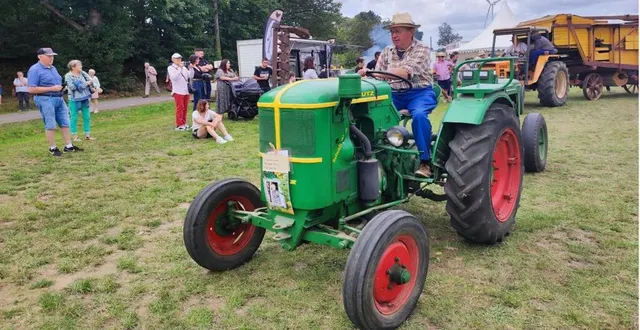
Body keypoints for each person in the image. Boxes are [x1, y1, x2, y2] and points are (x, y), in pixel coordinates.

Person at [358, 13, 436, 178]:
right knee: (368, 112)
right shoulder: (387, 51)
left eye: (398, 31)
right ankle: (369, 153)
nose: (394, 35)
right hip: (394, 93)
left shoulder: (422, 49)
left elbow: (404, 72)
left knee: (420, 116)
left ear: (411, 32)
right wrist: (365, 74)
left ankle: (425, 162)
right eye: (392, 31)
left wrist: (374, 72)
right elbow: (375, 76)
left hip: (419, 93)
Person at [27, 48, 83, 156]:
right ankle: (52, 148)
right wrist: (52, 88)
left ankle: (69, 146)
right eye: (49, 56)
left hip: (59, 98)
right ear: (40, 57)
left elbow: (56, 84)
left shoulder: (53, 68)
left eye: (52, 56)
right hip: (45, 99)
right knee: (50, 123)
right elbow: (31, 89)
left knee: (65, 122)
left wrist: (61, 88)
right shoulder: (34, 69)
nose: (51, 58)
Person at [65, 60, 95, 141]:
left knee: (87, 117)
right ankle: (75, 136)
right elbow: (72, 87)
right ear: (73, 67)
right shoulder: (68, 76)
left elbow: (91, 80)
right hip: (73, 99)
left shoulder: (83, 73)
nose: (81, 67)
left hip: (85, 98)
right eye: (79, 65)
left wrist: (79, 84)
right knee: (74, 117)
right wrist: (85, 84)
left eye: (81, 65)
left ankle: (87, 135)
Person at [167, 53, 192, 131]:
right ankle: (179, 124)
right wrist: (180, 68)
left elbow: (189, 76)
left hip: (185, 90)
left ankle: (184, 123)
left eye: (180, 59)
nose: (179, 60)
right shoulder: (171, 68)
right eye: (177, 59)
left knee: (185, 108)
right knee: (180, 108)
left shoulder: (183, 67)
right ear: (173, 59)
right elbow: (174, 77)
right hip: (178, 90)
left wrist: (190, 68)